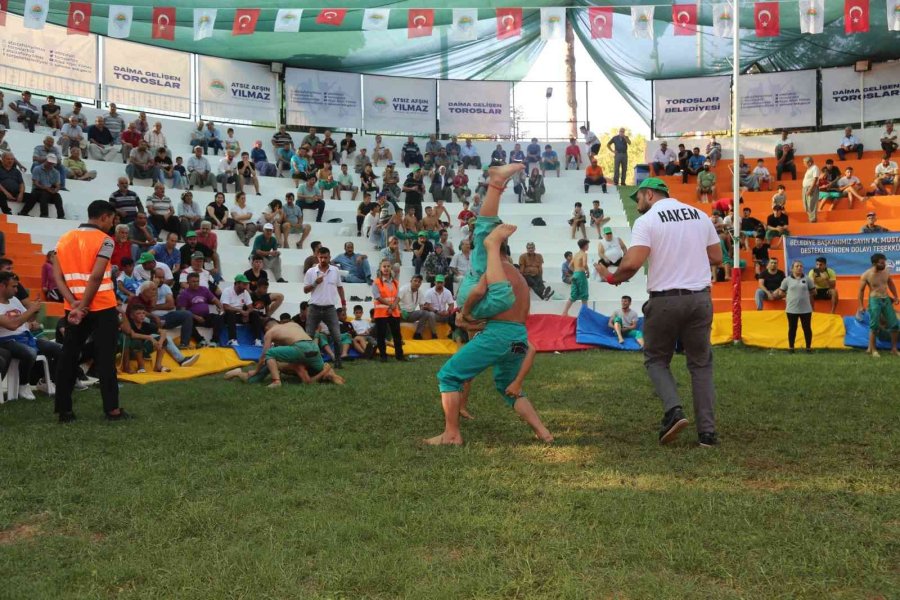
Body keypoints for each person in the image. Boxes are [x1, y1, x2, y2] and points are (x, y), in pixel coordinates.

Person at [426, 165, 553, 445]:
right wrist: (473, 321)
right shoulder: (520, 277)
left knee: (449, 375)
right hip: (517, 335)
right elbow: (509, 315)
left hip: (497, 330)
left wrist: (466, 313)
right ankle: (543, 432)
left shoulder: (496, 266)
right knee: (508, 387)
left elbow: (479, 293)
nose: (476, 249)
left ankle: (452, 434)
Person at [595, 178, 722, 447]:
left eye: (638, 198)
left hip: (665, 300)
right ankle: (707, 434)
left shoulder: (648, 221)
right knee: (701, 365)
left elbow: (633, 263)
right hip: (699, 299)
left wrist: (610, 277)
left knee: (656, 359)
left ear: (649, 194)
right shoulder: (700, 214)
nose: (638, 204)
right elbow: (717, 257)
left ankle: (674, 410)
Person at [52, 200, 129, 422]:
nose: (112, 225)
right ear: (104, 217)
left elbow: (59, 277)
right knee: (105, 357)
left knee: (68, 356)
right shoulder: (105, 240)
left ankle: (64, 411)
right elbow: (95, 277)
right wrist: (85, 305)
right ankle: (112, 410)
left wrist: (74, 304)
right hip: (101, 306)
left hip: (73, 307)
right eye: (112, 220)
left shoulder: (64, 238)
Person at [225, 320, 344, 387]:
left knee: (270, 353)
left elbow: (264, 355)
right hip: (313, 347)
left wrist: (255, 370)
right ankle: (335, 378)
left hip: (300, 350)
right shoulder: (293, 324)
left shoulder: (270, 332)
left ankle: (276, 381)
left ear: (267, 327)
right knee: (324, 368)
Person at [0, 272, 62, 400]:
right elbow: (12, 324)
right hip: (5, 340)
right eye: (13, 287)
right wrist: (30, 311)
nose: (17, 290)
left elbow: (30, 318)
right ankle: (23, 385)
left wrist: (35, 310)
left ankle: (47, 381)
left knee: (60, 349)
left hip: (25, 336)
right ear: (2, 286)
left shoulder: (14, 300)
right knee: (30, 353)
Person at [303, 245, 346, 369]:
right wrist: (315, 283)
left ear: (330, 257)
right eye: (321, 257)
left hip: (330, 308)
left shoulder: (335, 270)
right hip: (314, 307)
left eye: (325, 257)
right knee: (309, 337)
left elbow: (340, 287)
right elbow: (305, 290)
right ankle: (307, 363)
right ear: (317, 257)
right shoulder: (311, 272)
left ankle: (338, 362)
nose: (323, 260)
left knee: (337, 337)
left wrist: (343, 305)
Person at [858, 253, 900, 357]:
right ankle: (873, 350)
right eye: (882, 263)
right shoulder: (866, 274)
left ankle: (894, 349)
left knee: (894, 325)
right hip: (874, 300)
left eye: (884, 262)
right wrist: (860, 305)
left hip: (885, 299)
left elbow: (890, 283)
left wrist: (895, 296)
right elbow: (861, 291)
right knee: (874, 325)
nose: (884, 264)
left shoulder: (886, 271)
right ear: (874, 263)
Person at [370, 258, 404, 362]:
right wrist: (391, 305)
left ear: (391, 268)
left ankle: (400, 356)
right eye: (384, 266)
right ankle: (383, 356)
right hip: (381, 313)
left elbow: (398, 296)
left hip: (394, 312)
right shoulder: (376, 282)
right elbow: (377, 297)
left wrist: (393, 306)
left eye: (388, 266)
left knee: (397, 335)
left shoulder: (395, 282)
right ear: (380, 269)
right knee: (381, 335)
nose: (386, 268)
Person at [779, 260, 815, 353]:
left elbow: (813, 291)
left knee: (807, 328)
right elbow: (781, 292)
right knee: (792, 328)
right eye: (797, 266)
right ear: (792, 269)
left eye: (801, 266)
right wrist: (789, 296)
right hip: (791, 309)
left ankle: (808, 348)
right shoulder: (786, 280)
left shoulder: (807, 279)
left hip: (806, 309)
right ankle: (791, 348)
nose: (799, 268)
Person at [222, 274, 264, 347]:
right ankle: (232, 340)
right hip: (227, 315)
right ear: (237, 283)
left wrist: (247, 313)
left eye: (246, 284)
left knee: (255, 314)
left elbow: (250, 307)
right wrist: (241, 311)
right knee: (230, 313)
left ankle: (258, 340)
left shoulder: (245, 292)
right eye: (244, 284)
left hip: (240, 315)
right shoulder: (227, 291)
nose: (246, 287)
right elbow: (226, 307)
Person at [561, 239, 590, 316]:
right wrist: (587, 270)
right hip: (581, 275)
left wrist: (575, 272)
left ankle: (564, 312)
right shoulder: (584, 254)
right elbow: (584, 264)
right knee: (584, 295)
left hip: (575, 274)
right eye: (587, 245)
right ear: (584, 246)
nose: (588, 246)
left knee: (573, 295)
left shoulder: (576, 254)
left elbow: (570, 266)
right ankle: (585, 314)